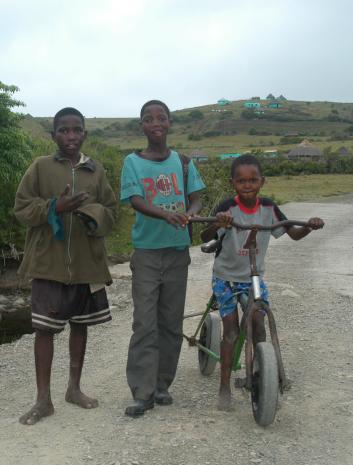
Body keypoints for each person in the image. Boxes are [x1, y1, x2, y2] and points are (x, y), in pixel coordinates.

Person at [13, 107, 116, 425]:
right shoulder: (40, 168)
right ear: (53, 134)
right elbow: (22, 209)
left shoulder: (96, 171)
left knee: (80, 325)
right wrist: (55, 206)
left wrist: (92, 215)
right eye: (63, 130)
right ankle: (43, 400)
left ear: (85, 133)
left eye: (76, 130)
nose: (70, 136)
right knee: (44, 331)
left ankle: (74, 388)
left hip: (87, 264)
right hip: (49, 264)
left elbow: (113, 212)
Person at [199, 154, 324, 411]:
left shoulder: (269, 208)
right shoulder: (226, 207)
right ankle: (224, 387)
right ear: (233, 182)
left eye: (253, 180)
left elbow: (293, 233)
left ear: (262, 181)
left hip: (253, 277)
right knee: (232, 330)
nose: (248, 185)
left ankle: (262, 375)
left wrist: (309, 226)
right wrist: (217, 223)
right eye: (241, 180)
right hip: (226, 278)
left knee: (259, 325)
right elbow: (204, 234)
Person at [120, 100, 206, 417]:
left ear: (170, 123)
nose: (155, 122)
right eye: (148, 118)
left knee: (170, 322)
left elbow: (195, 198)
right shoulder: (132, 162)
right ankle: (142, 392)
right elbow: (136, 200)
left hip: (177, 252)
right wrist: (167, 215)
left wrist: (190, 215)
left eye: (161, 117)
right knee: (145, 323)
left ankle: (162, 385)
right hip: (146, 253)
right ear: (141, 126)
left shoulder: (182, 163)